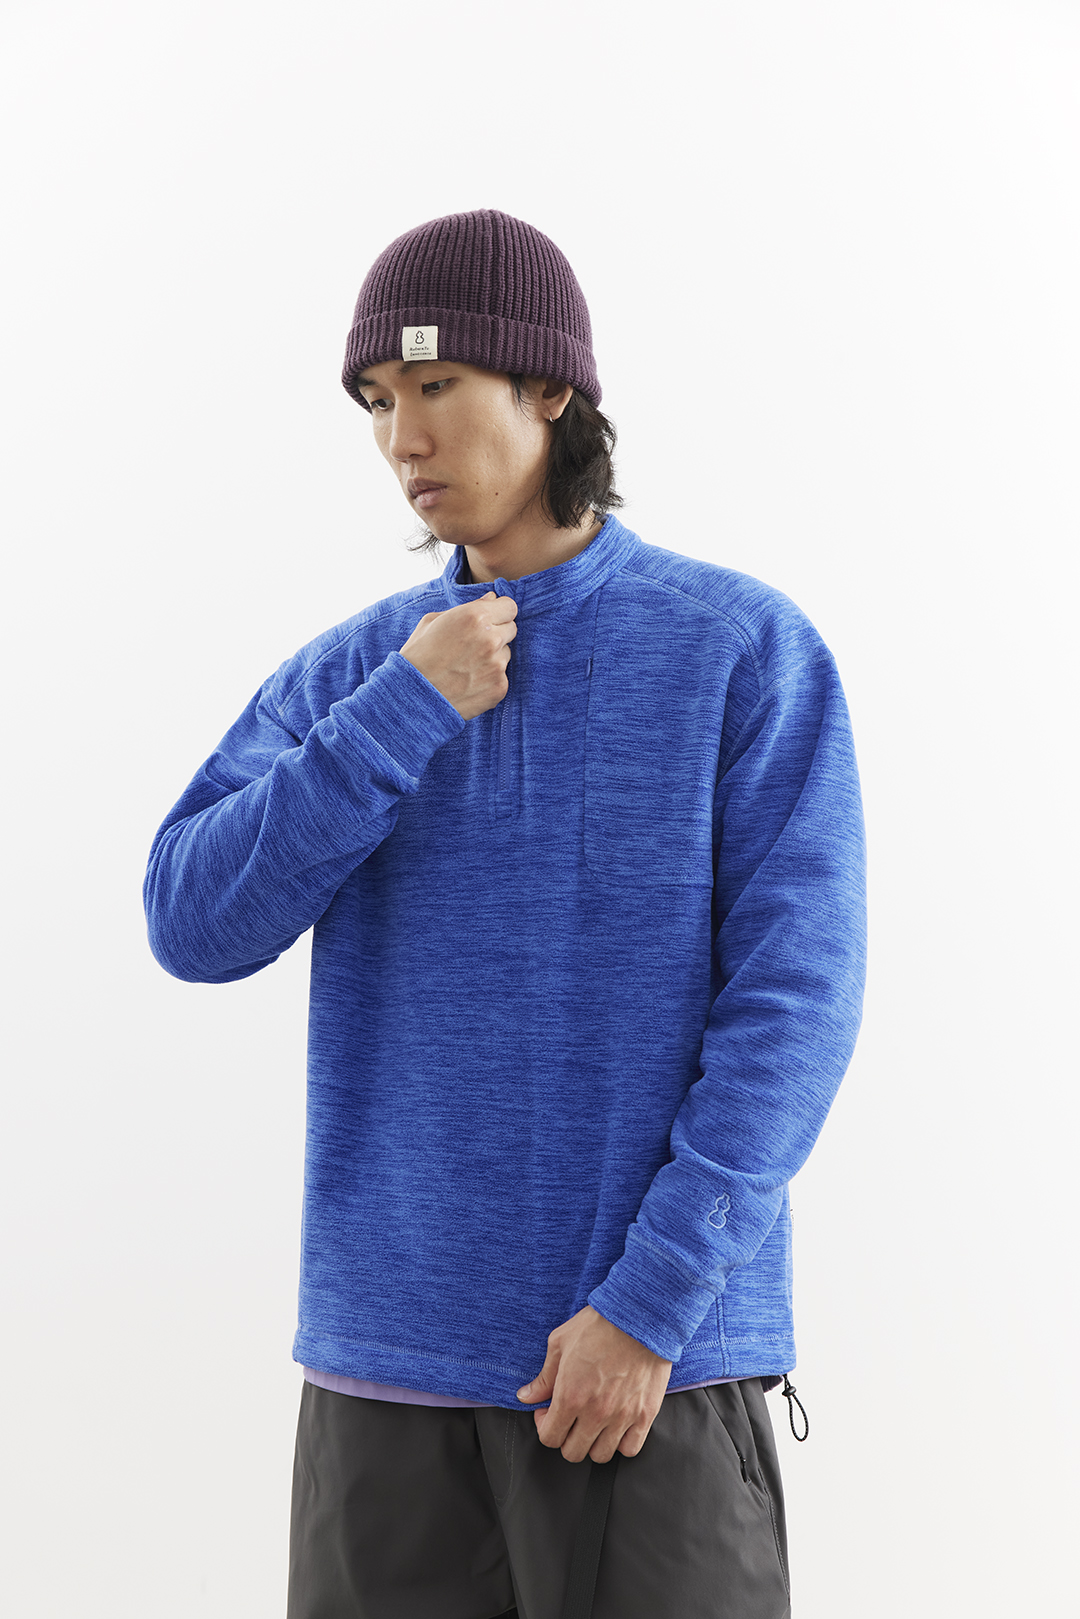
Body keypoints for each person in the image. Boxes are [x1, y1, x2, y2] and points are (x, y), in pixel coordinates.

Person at [143, 208, 866, 1619]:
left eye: (435, 386)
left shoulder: (739, 650)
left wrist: (650, 1304)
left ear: (550, 390)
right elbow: (192, 920)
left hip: (648, 1379)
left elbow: (796, 1009)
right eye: (376, 400)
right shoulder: (361, 675)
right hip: (384, 1385)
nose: (400, 438)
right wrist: (400, 713)